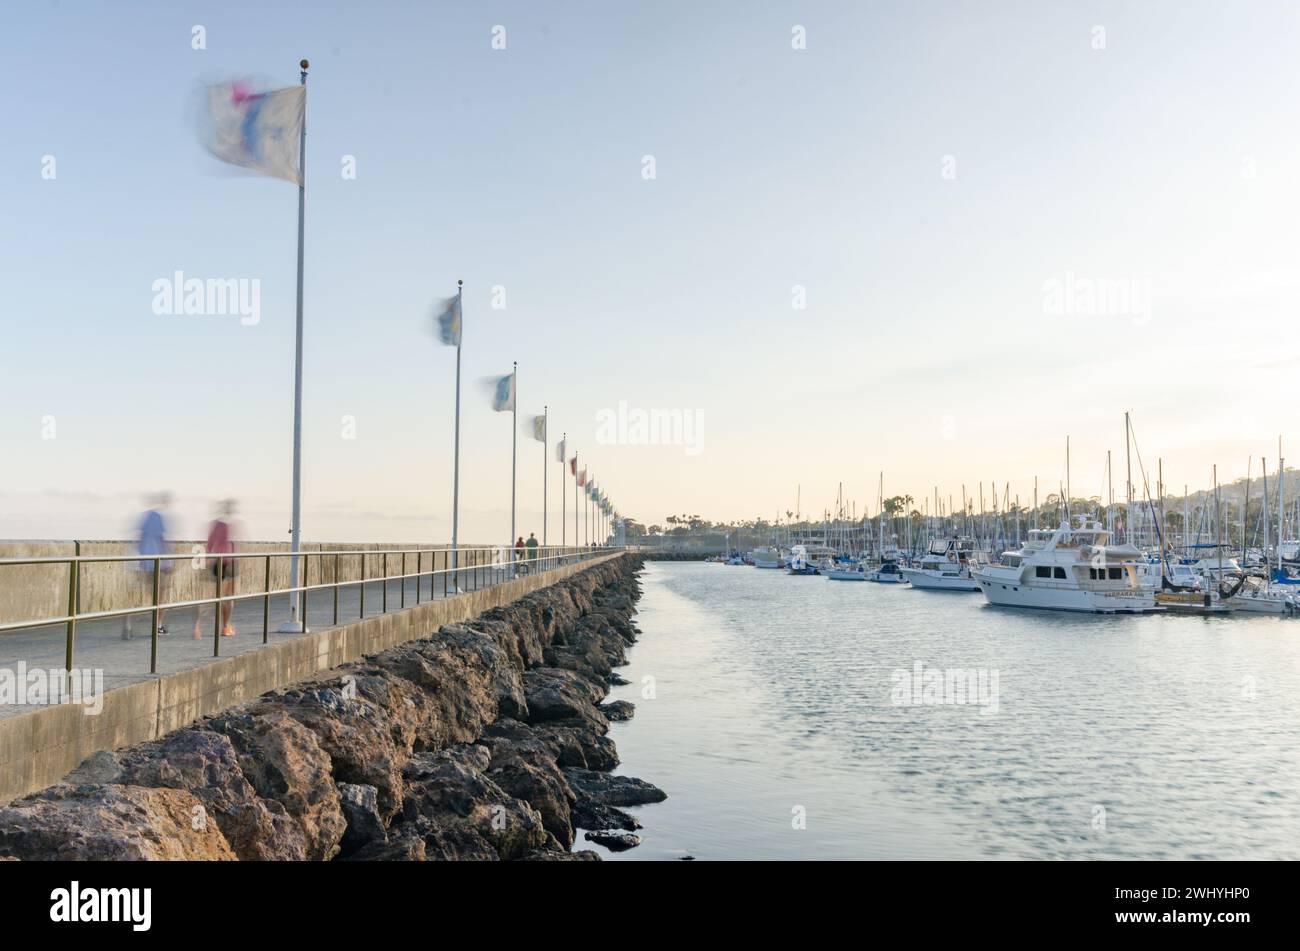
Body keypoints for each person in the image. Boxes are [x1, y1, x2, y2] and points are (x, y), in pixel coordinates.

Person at [123, 492, 173, 640]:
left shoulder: (144, 518)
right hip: (159, 563)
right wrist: (170, 560)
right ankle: (157, 627)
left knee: (140, 595)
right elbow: (162, 540)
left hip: (145, 562)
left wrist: (141, 559)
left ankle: (128, 624)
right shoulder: (158, 517)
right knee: (160, 597)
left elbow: (139, 539)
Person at [194, 500, 238, 639]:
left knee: (215, 595)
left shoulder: (216, 524)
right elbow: (236, 545)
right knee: (229, 597)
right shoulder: (232, 524)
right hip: (230, 562)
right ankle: (225, 627)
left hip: (217, 562)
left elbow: (209, 544)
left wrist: (205, 561)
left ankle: (197, 627)